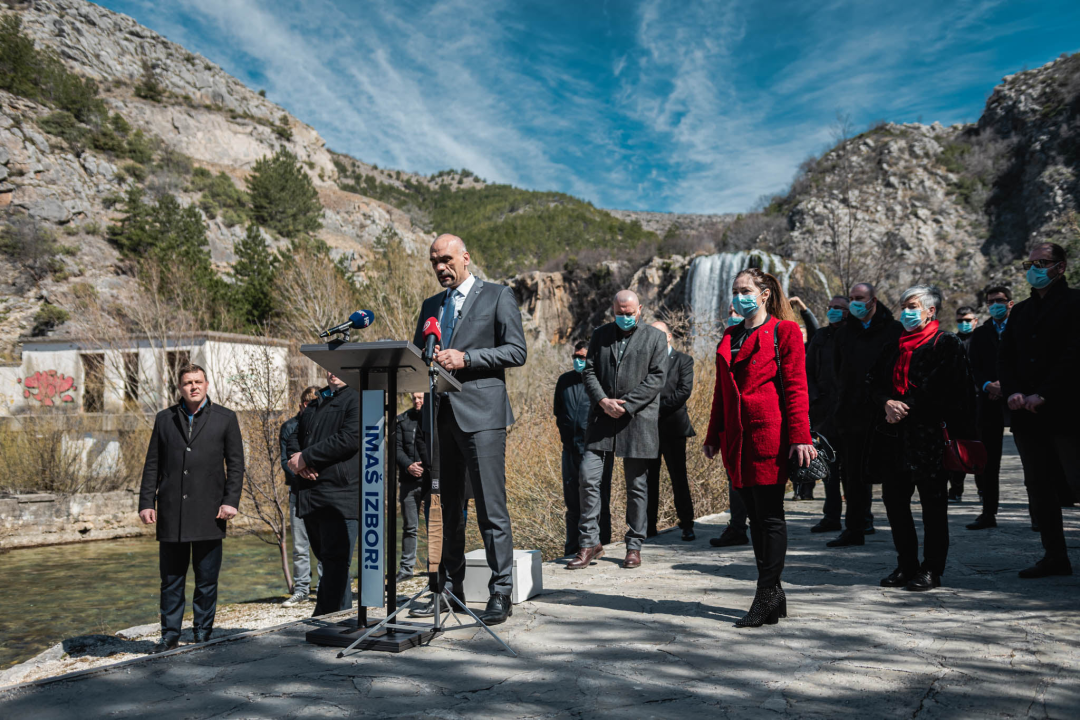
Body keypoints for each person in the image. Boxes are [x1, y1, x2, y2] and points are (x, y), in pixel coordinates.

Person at [409, 234, 527, 624]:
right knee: (447, 509)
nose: (440, 267)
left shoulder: (497, 295)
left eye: (446, 259)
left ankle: (501, 591)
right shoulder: (430, 306)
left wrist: (467, 358)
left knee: (491, 508)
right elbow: (420, 357)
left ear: (465, 258)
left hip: (483, 416)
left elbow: (516, 351)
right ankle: (450, 588)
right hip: (439, 418)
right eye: (434, 262)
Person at [703, 268, 815, 627]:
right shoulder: (731, 334)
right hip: (736, 439)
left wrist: (801, 437)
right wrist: (712, 435)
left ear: (765, 294)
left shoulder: (784, 331)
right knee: (754, 517)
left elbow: (796, 387)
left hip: (769, 435)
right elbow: (721, 393)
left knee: (769, 517)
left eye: (745, 290)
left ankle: (765, 593)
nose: (739, 297)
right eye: (735, 291)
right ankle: (774, 596)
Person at [868, 285, 976, 591]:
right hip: (894, 436)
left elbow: (946, 387)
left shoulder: (946, 343)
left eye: (913, 306)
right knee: (895, 502)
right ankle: (906, 565)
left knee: (933, 505)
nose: (906, 312)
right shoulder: (893, 345)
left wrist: (905, 408)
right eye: (904, 306)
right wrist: (886, 403)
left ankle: (931, 568)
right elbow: (872, 381)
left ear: (931, 311)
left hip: (929, 437)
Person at [138, 364, 244, 654]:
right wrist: (146, 502)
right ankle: (169, 636)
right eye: (188, 383)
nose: (193, 387)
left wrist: (231, 501)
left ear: (207, 385)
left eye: (198, 381)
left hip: (211, 512)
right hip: (171, 512)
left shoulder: (225, 418)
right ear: (180, 387)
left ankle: (202, 633)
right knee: (171, 580)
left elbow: (236, 465)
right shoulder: (164, 419)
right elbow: (152, 464)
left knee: (206, 579)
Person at [567, 290, 668, 571]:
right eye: (619, 313)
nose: (624, 317)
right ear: (612, 310)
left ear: (640, 309)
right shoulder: (600, 334)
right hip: (602, 420)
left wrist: (627, 405)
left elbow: (657, 377)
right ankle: (589, 543)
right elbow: (588, 371)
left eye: (629, 313)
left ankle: (634, 545)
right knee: (588, 479)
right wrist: (603, 401)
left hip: (637, 420)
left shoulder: (655, 337)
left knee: (636, 487)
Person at [999, 242, 1080, 578]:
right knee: (1039, 485)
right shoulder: (1020, 311)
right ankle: (1054, 556)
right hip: (1027, 416)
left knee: (1076, 480)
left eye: (1042, 263)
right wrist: (1014, 392)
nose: (1034, 269)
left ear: (1060, 267)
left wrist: (1045, 394)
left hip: (1067, 412)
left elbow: (1074, 355)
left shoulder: (1076, 303)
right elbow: (1006, 357)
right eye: (1030, 264)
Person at [827, 282, 901, 547]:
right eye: (852, 298)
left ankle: (900, 532)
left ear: (873, 300)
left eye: (860, 298)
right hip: (852, 416)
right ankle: (854, 529)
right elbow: (838, 373)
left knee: (893, 477)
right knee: (853, 477)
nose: (855, 302)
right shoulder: (844, 334)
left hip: (886, 416)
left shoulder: (894, 330)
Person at [287, 371, 360, 617]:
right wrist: (299, 462)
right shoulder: (317, 401)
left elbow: (349, 438)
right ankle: (340, 618)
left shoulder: (357, 398)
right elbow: (294, 435)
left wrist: (307, 458)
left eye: (338, 366)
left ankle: (326, 617)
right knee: (327, 560)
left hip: (340, 493)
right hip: (310, 494)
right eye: (329, 367)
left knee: (336, 561)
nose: (332, 372)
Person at [645, 321, 697, 541]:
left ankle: (687, 524)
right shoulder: (644, 361)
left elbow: (683, 391)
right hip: (648, 429)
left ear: (668, 337)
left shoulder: (683, 360)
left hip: (673, 427)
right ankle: (648, 526)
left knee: (678, 478)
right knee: (649, 480)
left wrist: (658, 409)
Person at [966, 287, 1012, 530]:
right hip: (988, 401)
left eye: (999, 300)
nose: (995, 305)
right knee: (988, 462)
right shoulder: (981, 333)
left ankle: (1039, 515)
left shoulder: (1021, 328)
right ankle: (988, 513)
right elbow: (973, 366)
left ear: (1010, 303)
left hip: (1020, 399)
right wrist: (988, 385)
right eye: (990, 301)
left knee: (1034, 463)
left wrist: (1007, 386)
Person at [806, 296, 848, 532]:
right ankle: (831, 517)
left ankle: (861, 519)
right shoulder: (820, 337)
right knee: (829, 468)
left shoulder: (854, 336)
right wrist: (815, 399)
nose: (832, 311)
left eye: (838, 308)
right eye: (830, 308)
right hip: (824, 413)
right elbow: (808, 371)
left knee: (852, 471)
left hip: (851, 413)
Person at [281, 386, 323, 608]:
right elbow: (284, 460)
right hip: (297, 491)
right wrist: (301, 470)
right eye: (307, 404)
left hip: (321, 490)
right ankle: (301, 589)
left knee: (324, 542)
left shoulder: (324, 423)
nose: (310, 407)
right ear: (301, 405)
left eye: (314, 403)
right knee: (299, 545)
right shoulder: (289, 427)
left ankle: (325, 586)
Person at [554, 342, 591, 556]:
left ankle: (598, 544)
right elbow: (558, 411)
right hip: (569, 449)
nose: (578, 360)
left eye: (582, 357)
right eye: (575, 356)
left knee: (593, 501)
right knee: (572, 502)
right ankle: (572, 548)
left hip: (591, 450)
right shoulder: (564, 381)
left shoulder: (598, 381)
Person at [395, 392, 430, 583]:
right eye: (414, 398)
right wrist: (408, 465)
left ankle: (434, 566)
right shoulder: (402, 420)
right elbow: (396, 448)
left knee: (434, 525)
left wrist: (428, 467)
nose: (417, 401)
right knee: (409, 526)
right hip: (408, 481)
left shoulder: (434, 418)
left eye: (420, 398)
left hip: (430, 480)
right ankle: (406, 568)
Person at [948, 305, 979, 502]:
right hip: (956, 403)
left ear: (975, 321)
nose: (964, 324)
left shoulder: (982, 340)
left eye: (968, 320)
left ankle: (983, 490)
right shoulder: (951, 341)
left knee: (978, 446)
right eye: (960, 320)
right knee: (955, 446)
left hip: (979, 401)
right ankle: (956, 488)